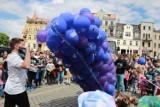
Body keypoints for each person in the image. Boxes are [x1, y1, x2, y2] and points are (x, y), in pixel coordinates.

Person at [4, 38, 30, 107]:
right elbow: (27, 65)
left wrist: (24, 37)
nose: (23, 45)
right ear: (16, 46)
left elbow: (21, 44)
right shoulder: (14, 58)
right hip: (17, 90)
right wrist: (27, 50)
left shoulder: (11, 55)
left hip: (10, 89)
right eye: (20, 44)